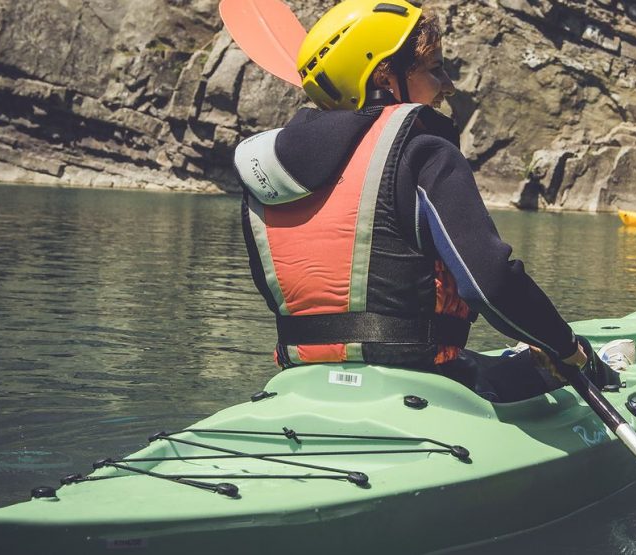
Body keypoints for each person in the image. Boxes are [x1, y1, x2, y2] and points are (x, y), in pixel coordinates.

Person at [234, 0, 600, 402]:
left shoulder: (267, 171)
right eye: (435, 68)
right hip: (420, 383)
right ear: (385, 75)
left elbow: (277, 292)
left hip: (301, 386)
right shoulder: (424, 153)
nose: (448, 84)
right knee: (553, 367)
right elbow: (490, 285)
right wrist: (566, 349)